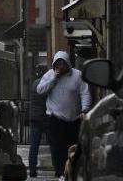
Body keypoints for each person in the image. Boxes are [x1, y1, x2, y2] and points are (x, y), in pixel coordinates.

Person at [36, 51, 91, 179]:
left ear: (68, 64)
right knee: (57, 147)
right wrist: (54, 78)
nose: (60, 67)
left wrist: (85, 109)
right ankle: (60, 172)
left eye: (63, 64)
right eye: (58, 64)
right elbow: (40, 90)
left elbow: (85, 93)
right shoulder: (50, 75)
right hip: (55, 118)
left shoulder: (77, 75)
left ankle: (72, 171)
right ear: (54, 64)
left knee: (73, 147)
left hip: (73, 118)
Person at [28, 65, 48, 179]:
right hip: (44, 117)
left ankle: (32, 169)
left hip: (34, 117)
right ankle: (58, 168)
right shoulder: (44, 84)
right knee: (54, 143)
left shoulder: (34, 83)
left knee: (34, 145)